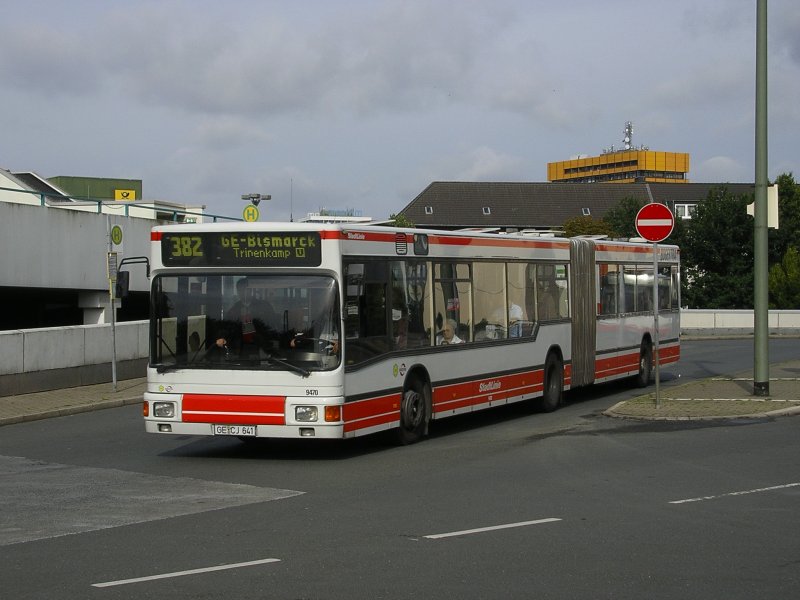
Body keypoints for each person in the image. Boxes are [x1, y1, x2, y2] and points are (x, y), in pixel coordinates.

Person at [215, 278, 278, 355]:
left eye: (246, 289)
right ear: (238, 292)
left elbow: (274, 326)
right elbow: (226, 328)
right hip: (240, 349)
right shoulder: (234, 310)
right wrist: (222, 338)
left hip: (263, 347)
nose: (243, 293)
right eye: (240, 290)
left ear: (251, 290)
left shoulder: (264, 306)